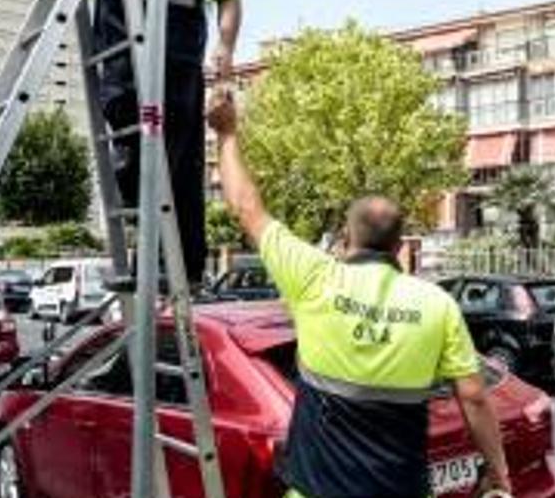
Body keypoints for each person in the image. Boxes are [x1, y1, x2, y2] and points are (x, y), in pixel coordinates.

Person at [206, 93, 513, 498]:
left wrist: (227, 134)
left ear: (346, 238)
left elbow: (248, 207)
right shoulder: (437, 305)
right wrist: (498, 474)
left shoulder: (315, 277)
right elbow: (473, 397)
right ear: (400, 245)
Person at [93, 0, 242, 285]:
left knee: (175, 141)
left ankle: (176, 264)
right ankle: (156, 256)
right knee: (128, 116)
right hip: (119, 14)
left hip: (177, 25)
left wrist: (226, 46)